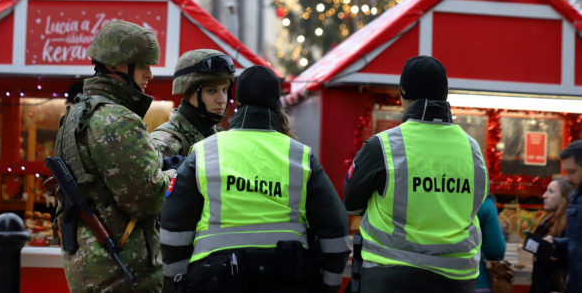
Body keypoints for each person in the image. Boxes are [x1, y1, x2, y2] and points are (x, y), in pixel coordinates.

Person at [160, 65, 350, 292]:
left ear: (238, 103)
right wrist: (328, 286)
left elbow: (173, 228)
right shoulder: (300, 156)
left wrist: (178, 283)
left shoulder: (205, 152)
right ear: (278, 106)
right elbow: (336, 231)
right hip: (287, 278)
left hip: (215, 279)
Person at [344, 55, 488, 293]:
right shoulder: (472, 149)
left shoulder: (384, 146)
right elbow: (476, 203)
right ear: (445, 95)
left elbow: (352, 203)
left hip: (392, 277)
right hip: (458, 279)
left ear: (402, 94)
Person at [53, 20, 169, 293]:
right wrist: (171, 175)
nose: (149, 74)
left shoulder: (75, 116)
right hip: (123, 273)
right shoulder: (117, 119)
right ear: (117, 65)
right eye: (143, 65)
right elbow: (148, 198)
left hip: (88, 266)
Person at [152, 49, 235, 159]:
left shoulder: (221, 138)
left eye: (224, 90)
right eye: (211, 91)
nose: (222, 100)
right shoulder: (164, 143)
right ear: (189, 92)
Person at [545, 140, 582, 293]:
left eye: (572, 172)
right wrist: (557, 244)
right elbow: (578, 241)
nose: (567, 178)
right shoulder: (575, 198)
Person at [531, 177, 573, 293]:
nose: (544, 195)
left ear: (564, 197)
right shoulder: (547, 222)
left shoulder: (570, 225)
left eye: (551, 191)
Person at [476, 194, 507, 293]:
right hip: (478, 280)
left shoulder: (443, 198)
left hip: (437, 275)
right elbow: (496, 249)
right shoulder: (485, 203)